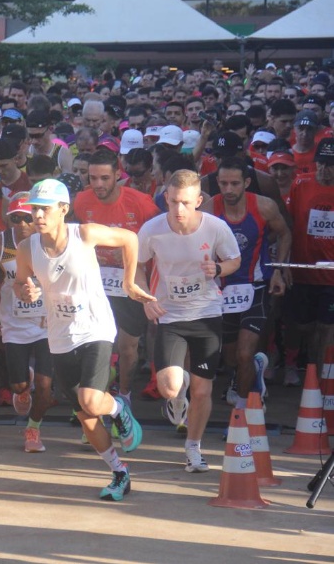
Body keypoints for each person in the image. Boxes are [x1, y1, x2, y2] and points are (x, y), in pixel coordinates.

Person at [14, 178, 152, 501]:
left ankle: (118, 408)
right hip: (60, 336)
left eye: (45, 209)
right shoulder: (26, 248)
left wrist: (130, 282)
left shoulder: (84, 234)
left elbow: (130, 238)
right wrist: (27, 288)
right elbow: (20, 283)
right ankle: (119, 472)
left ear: (63, 210)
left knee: (92, 400)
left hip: (95, 328)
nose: (38, 216)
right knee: (86, 418)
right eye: (34, 209)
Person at [137, 169, 241, 473]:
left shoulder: (216, 227)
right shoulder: (152, 229)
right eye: (173, 202)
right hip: (169, 314)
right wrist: (146, 299)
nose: (179, 210)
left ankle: (194, 449)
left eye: (185, 202)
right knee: (170, 387)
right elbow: (137, 267)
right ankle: (175, 400)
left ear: (198, 200)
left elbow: (234, 261)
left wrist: (218, 270)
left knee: (202, 391)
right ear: (166, 198)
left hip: (207, 315)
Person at [74, 149, 161, 404]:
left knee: (127, 347)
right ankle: (97, 393)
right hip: (96, 280)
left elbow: (158, 239)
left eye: (104, 178)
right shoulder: (81, 201)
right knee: (95, 344)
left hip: (131, 280)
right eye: (93, 178)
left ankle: (124, 395)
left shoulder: (141, 203)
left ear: (117, 175)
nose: (98, 184)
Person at [209, 157, 290, 409]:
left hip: (255, 287)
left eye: (235, 183)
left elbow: (285, 232)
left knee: (244, 353)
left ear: (246, 182)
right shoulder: (210, 208)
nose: (229, 189)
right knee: (232, 358)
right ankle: (253, 369)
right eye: (223, 184)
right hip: (223, 289)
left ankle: (242, 410)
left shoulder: (263, 206)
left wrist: (279, 270)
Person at [0, 192, 54, 453]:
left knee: (45, 385)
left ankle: (33, 428)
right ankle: (23, 384)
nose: (21, 224)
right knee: (19, 386)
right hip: (14, 325)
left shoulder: (51, 244)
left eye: (26, 218)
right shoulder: (1, 244)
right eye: (15, 219)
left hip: (47, 323)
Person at [282, 138, 334, 385]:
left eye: (331, 164)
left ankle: (321, 375)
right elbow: (288, 226)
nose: (326, 170)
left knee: (326, 327)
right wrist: (285, 265)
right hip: (302, 270)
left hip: (331, 275)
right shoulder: (301, 184)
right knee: (300, 325)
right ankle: (291, 363)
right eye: (322, 163)